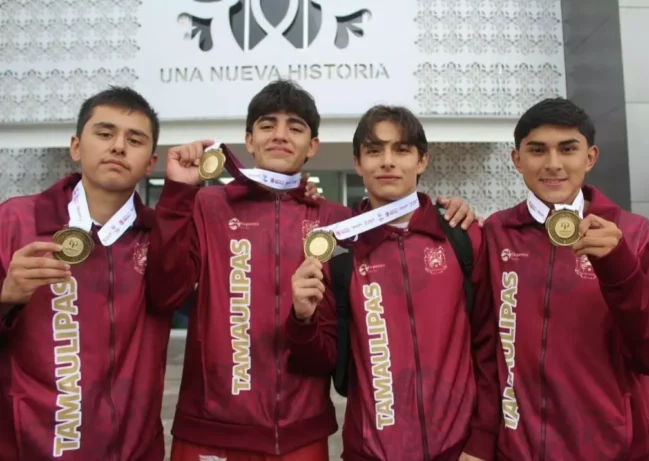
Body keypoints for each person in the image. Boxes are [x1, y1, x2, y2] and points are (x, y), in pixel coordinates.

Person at [145, 80, 477, 461]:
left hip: (301, 434)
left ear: (313, 146)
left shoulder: (338, 222)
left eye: (295, 127)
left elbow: (338, 339)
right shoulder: (207, 205)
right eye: (267, 125)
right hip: (210, 429)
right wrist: (177, 193)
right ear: (249, 140)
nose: (280, 135)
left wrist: (450, 213)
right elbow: (166, 294)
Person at [286, 105, 500, 461]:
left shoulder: (463, 237)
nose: (388, 162)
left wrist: (480, 441)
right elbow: (322, 362)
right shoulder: (339, 252)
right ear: (358, 164)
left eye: (401, 150)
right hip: (371, 452)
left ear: (422, 160)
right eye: (374, 151)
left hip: (458, 451)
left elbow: (489, 346)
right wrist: (302, 319)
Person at [483, 98, 649, 460]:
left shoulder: (633, 233)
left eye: (568, 149)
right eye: (537, 150)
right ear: (517, 159)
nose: (553, 163)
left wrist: (619, 266)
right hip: (517, 448)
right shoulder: (496, 232)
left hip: (609, 448)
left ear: (590, 157)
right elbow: (481, 346)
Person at [0, 87, 170, 460]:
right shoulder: (15, 221)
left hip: (135, 450)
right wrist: (5, 297)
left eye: (134, 140)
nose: (119, 147)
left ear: (150, 162)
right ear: (76, 147)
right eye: (105, 133)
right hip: (34, 449)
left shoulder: (161, 238)